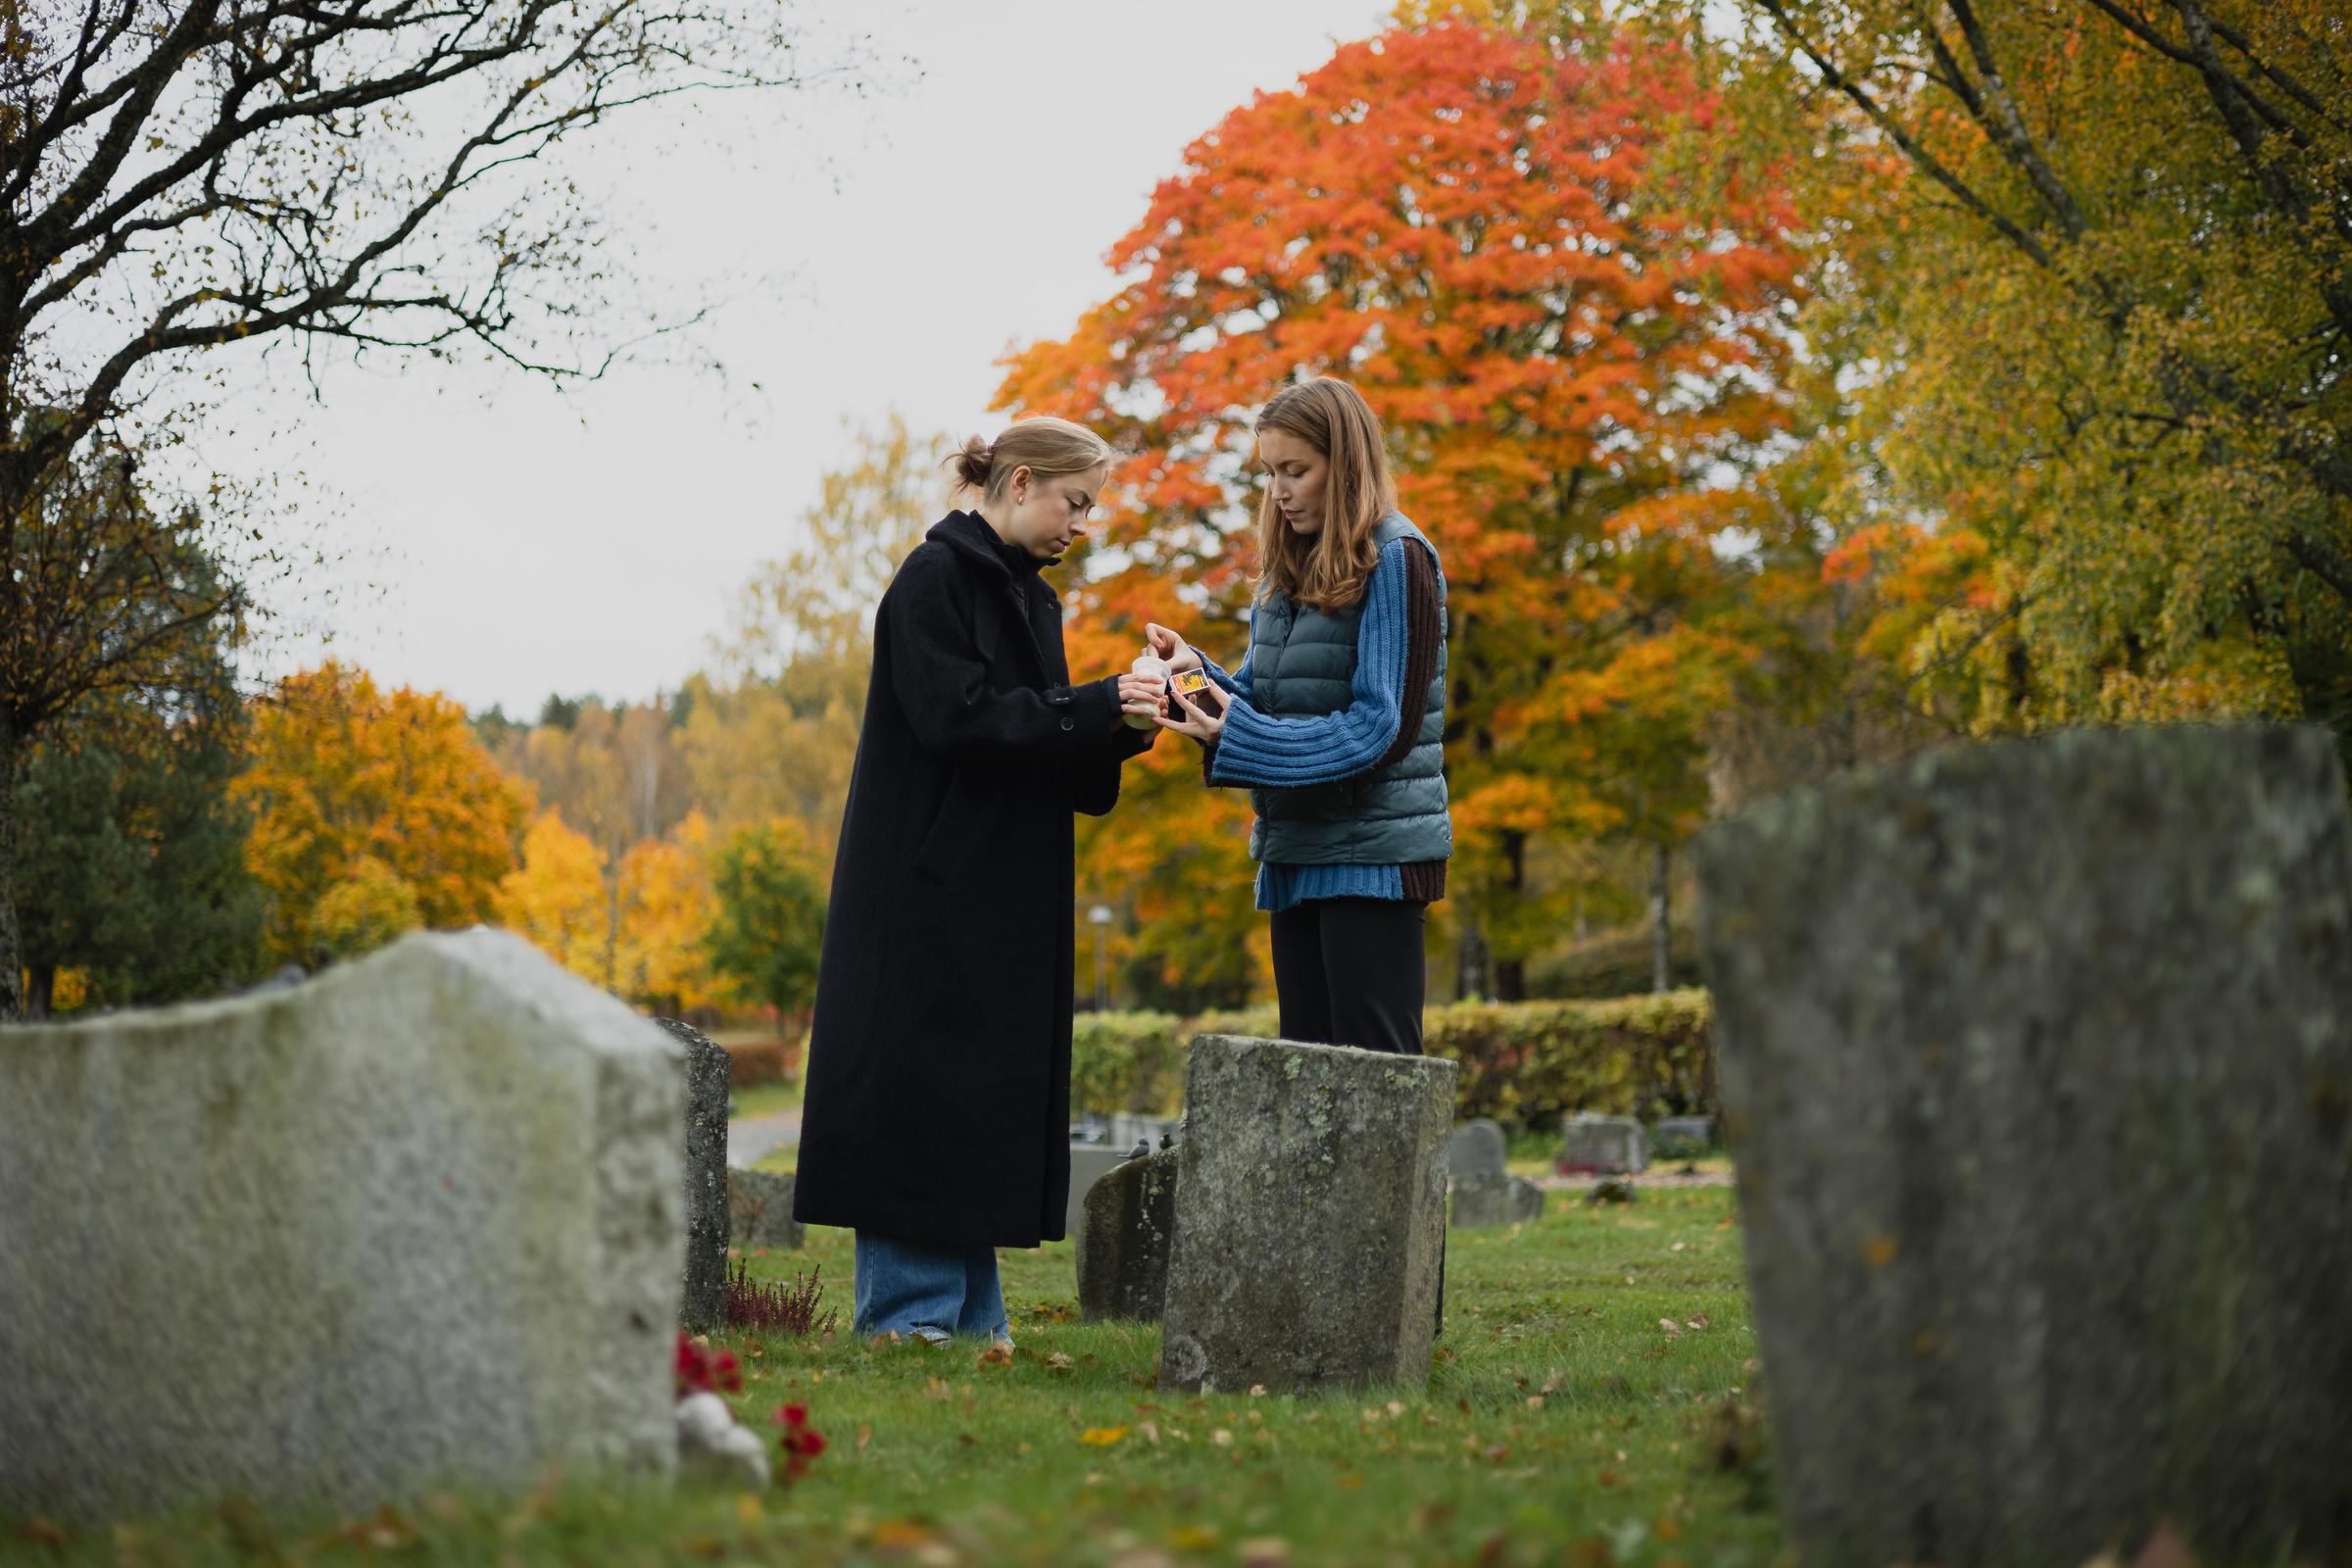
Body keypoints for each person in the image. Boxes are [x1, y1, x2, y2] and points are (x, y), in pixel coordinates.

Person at [792, 416, 1163, 1349]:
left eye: (1091, 509)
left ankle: (971, 1318)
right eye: (1075, 502)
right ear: (1021, 480)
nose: (1081, 525)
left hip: (1004, 898)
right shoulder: (933, 579)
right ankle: (907, 1318)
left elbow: (1058, 759)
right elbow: (955, 720)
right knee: (919, 1096)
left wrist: (1127, 719)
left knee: (973, 1102)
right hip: (926, 891)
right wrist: (1090, 705)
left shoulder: (1033, 599)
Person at [1148, 377, 1449, 1055]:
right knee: (1304, 1088)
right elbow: (1261, 703)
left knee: (1375, 1089)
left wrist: (1238, 732)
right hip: (1294, 858)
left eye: (1295, 470)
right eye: (1269, 473)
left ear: (1346, 467)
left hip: (1372, 865)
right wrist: (1192, 676)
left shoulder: (1397, 559)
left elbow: (1381, 728)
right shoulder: (1286, 573)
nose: (1279, 491)